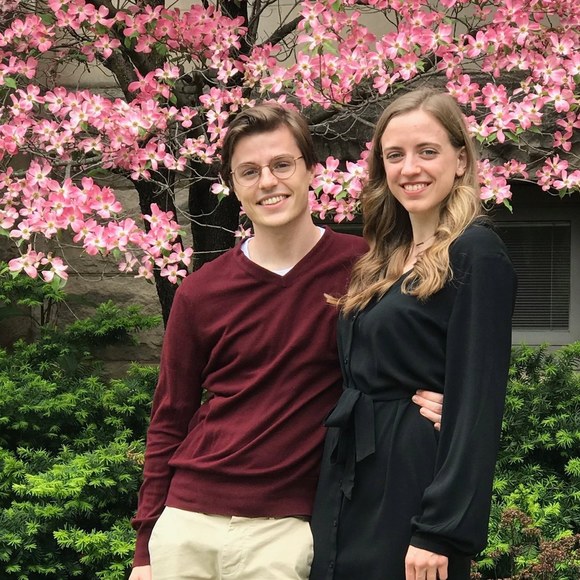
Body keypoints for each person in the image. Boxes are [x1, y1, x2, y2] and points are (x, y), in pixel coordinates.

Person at [128, 102, 444, 580]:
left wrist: (448, 403)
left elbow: (406, 362)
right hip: (187, 523)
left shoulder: (367, 270)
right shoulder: (200, 291)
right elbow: (169, 418)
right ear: (233, 185)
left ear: (311, 169)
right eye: (249, 171)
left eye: (282, 164)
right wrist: (145, 549)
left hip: (286, 530)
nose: (268, 182)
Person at [309, 89, 517, 580]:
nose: (409, 169)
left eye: (427, 151)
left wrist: (440, 531)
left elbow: (479, 402)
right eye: (394, 155)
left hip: (413, 483)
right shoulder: (383, 257)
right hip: (350, 473)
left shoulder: (476, 253)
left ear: (460, 160)